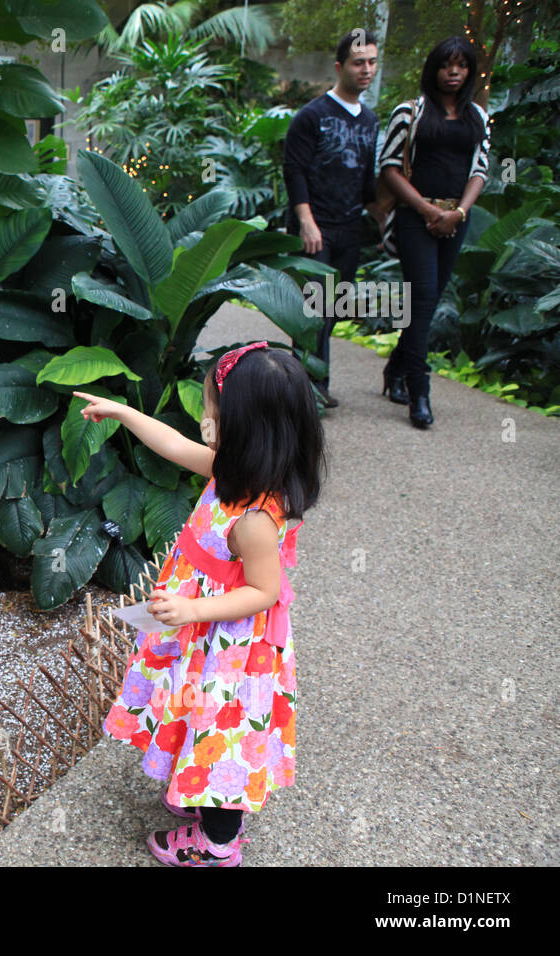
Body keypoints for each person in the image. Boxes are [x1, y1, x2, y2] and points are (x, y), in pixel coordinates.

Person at [74, 342, 325, 867]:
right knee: (195, 715)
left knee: (221, 731)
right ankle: (198, 782)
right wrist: (123, 412)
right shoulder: (233, 470)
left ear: (242, 425)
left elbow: (264, 592)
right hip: (202, 634)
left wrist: (190, 611)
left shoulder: (255, 517)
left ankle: (218, 845)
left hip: (229, 649)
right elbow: (172, 445)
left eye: (212, 406)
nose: (205, 416)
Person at [377, 37, 491, 429]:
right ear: (434, 69)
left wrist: (458, 212)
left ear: (469, 70)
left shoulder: (477, 115)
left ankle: (394, 369)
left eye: (461, 65)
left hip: (454, 220)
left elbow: (480, 170)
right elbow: (389, 167)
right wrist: (427, 209)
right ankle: (418, 392)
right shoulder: (411, 112)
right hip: (416, 218)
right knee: (423, 296)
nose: (454, 72)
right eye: (446, 65)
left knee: (429, 299)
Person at [283, 30, 380, 408]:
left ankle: (312, 380)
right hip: (315, 227)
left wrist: (384, 219)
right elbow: (295, 170)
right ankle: (308, 388)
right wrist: (306, 221)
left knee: (335, 307)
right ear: (340, 67)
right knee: (313, 309)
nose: (366, 69)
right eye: (359, 62)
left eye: (372, 61)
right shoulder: (312, 115)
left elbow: (368, 180)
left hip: (349, 227)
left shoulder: (370, 121)